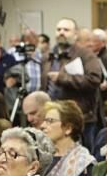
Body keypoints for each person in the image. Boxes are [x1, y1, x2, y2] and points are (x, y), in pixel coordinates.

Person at [44, 18, 102, 151]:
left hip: (81, 117)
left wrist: (62, 78)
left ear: (75, 34)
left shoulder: (85, 54)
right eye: (58, 30)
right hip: (53, 116)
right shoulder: (48, 55)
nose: (61, 33)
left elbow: (94, 79)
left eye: (66, 30)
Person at [41, 100, 95, 176]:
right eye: (44, 120)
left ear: (68, 128)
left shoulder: (82, 162)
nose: (43, 125)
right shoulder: (41, 156)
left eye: (50, 121)